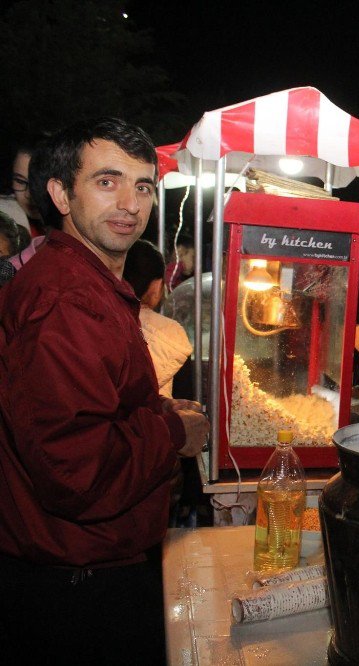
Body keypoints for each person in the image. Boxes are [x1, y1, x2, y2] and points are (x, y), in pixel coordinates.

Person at [0, 117, 210, 665]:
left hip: (86, 572)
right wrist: (170, 432)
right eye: (106, 181)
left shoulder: (89, 285)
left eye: (143, 186)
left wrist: (156, 408)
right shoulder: (66, 299)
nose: (129, 202)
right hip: (76, 590)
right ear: (60, 194)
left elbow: (91, 407)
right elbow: (75, 469)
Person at [124, 239, 194, 397]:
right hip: (159, 420)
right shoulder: (173, 333)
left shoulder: (100, 321)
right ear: (156, 287)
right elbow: (184, 401)